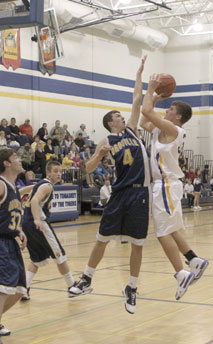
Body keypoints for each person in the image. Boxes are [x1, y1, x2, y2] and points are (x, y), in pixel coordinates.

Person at [69, 56, 150, 315]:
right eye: (117, 115)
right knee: (102, 239)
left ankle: (132, 288)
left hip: (140, 194)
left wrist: (139, 74)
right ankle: (87, 279)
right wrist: (98, 155)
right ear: (110, 122)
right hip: (120, 193)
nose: (122, 116)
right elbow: (88, 170)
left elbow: (137, 99)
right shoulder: (107, 140)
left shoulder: (133, 131)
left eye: (121, 114)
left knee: (137, 243)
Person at [140, 73, 208, 300]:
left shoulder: (173, 130)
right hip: (165, 186)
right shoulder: (162, 129)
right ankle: (194, 259)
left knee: (162, 233)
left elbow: (146, 112)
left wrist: (150, 89)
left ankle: (181, 272)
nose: (166, 111)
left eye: (169, 109)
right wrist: (156, 99)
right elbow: (143, 122)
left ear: (177, 117)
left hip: (166, 185)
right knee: (170, 229)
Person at [21, 161, 76, 302]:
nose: (59, 174)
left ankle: (24, 289)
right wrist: (36, 219)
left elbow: (28, 190)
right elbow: (34, 201)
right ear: (48, 173)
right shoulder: (47, 186)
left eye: (61, 171)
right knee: (59, 254)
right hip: (38, 224)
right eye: (56, 171)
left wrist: (17, 192)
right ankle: (72, 286)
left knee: (36, 258)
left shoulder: (41, 184)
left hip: (26, 225)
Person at [0, 147, 27, 337]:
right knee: (3, 289)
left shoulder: (13, 186)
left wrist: (18, 229)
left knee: (18, 289)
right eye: (15, 157)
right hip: (1, 242)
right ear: (6, 163)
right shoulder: (1, 184)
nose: (19, 159)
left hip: (11, 241)